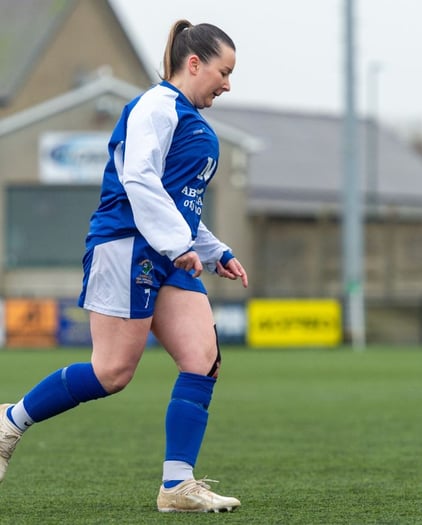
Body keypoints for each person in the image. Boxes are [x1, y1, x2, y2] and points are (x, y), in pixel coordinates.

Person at [0, 19, 247, 513]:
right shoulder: (155, 106)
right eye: (223, 71)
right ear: (193, 63)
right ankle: (10, 421)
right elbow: (138, 179)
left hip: (171, 254)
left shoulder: (192, 120)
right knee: (112, 372)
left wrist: (216, 250)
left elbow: (181, 204)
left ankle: (177, 486)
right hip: (127, 246)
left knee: (203, 359)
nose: (227, 83)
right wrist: (178, 244)